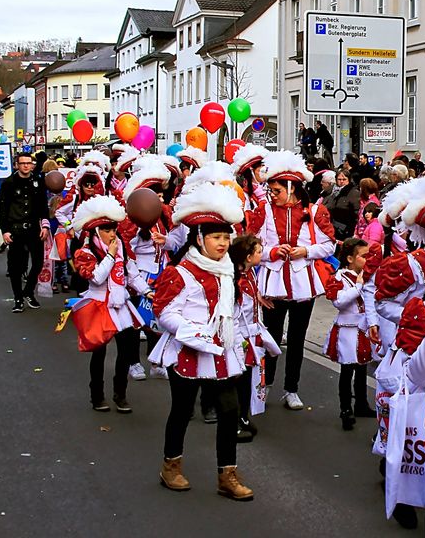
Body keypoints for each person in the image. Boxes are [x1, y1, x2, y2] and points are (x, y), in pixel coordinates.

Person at [151, 182, 253, 500]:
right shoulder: (180, 272)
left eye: (226, 237)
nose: (223, 244)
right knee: (181, 410)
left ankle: (227, 475)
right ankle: (171, 466)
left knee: (229, 410)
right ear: (200, 238)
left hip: (221, 352)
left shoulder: (228, 272)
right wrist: (196, 333)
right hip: (186, 351)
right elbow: (164, 312)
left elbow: (233, 314)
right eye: (216, 237)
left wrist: (242, 340)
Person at [257, 151, 337, 410]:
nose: (273, 194)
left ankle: (292, 388)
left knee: (297, 338)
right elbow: (252, 247)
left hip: (304, 283)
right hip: (273, 283)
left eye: (277, 190)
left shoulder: (315, 211)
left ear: (291, 188)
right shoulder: (264, 211)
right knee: (270, 336)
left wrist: (306, 251)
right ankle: (264, 385)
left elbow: (329, 246)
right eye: (271, 190)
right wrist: (271, 252)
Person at [71, 195, 147, 413]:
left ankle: (120, 394)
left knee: (126, 351)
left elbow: (131, 274)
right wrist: (111, 256)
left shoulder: (121, 246)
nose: (112, 233)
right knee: (99, 352)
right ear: (96, 231)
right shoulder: (85, 252)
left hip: (120, 303)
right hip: (98, 305)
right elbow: (95, 277)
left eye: (114, 228)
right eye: (106, 229)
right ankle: (97, 396)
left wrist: (148, 291)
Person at [228, 234, 280, 443]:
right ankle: (234, 420)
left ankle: (243, 415)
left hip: (252, 333)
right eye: (258, 251)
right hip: (241, 335)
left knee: (249, 378)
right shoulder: (236, 279)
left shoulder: (250, 275)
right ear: (248, 257)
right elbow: (235, 311)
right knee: (238, 379)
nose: (262, 254)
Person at [323, 237, 379, 430]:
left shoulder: (368, 276)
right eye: (364, 256)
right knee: (347, 370)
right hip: (347, 330)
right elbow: (339, 302)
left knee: (362, 367)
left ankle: (361, 404)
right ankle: (345, 409)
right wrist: (359, 286)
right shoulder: (340, 278)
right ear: (349, 258)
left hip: (363, 329)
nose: (367, 260)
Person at [0, 152, 51, 313]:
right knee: (16, 267)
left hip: (34, 228)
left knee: (38, 263)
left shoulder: (37, 181)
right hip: (16, 229)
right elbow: (2, 209)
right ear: (17, 165)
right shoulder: (9, 183)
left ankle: (28, 291)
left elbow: (43, 206)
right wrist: (5, 231)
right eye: (23, 163)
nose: (26, 166)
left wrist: (45, 226)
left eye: (29, 163)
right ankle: (18, 298)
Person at [323, 168, 360, 240]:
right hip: (331, 225)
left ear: (349, 180)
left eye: (344, 179)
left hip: (345, 227)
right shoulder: (330, 191)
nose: (342, 181)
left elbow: (356, 211)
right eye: (339, 179)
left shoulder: (354, 192)